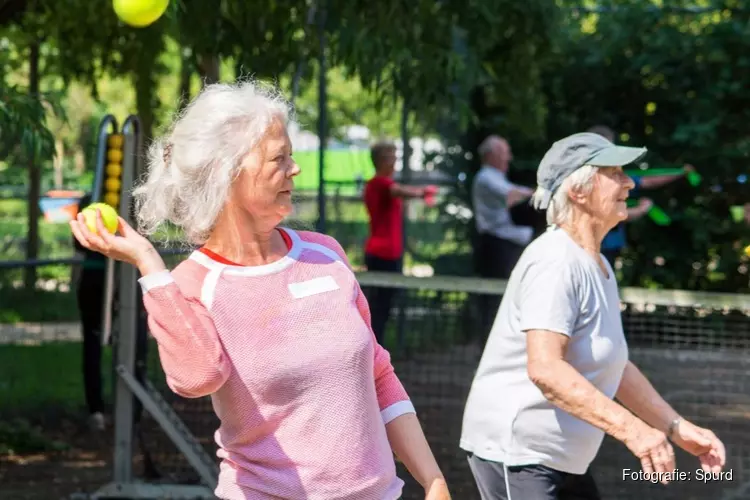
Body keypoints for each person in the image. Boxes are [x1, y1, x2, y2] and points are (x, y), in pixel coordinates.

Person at [70, 80, 450, 500]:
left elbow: (378, 374)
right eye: (279, 158)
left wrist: (433, 481)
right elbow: (197, 378)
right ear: (227, 173)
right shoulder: (192, 284)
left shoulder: (326, 254)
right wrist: (148, 262)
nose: (295, 168)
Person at [460, 132, 726, 500]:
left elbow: (614, 364)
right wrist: (634, 431)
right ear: (578, 192)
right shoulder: (555, 260)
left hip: (563, 461)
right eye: (614, 172)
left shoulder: (597, 263)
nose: (629, 181)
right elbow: (546, 368)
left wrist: (674, 427)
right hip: (519, 455)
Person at [588, 125, 695, 265]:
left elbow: (647, 181)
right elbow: (609, 213)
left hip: (604, 246)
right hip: (593, 246)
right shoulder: (586, 180)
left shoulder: (609, 175)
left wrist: (680, 173)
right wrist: (641, 209)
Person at [363, 140, 433, 344]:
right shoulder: (379, 183)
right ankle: (374, 354)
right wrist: (423, 193)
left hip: (391, 254)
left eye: (394, 157)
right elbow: (398, 190)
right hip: (381, 255)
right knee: (378, 310)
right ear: (380, 160)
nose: (394, 162)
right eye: (390, 157)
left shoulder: (384, 184)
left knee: (384, 310)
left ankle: (377, 353)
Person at [471, 135, 534, 338]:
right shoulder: (486, 177)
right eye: (505, 152)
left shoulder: (496, 176)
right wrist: (537, 194)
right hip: (495, 246)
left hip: (507, 244)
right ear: (492, 155)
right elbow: (512, 194)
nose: (509, 157)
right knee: (494, 299)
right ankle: (488, 347)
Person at [72, 192, 107, 431]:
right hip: (95, 282)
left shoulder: (91, 199)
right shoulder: (89, 201)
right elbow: (78, 243)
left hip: (115, 282)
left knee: (130, 346)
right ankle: (97, 410)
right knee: (92, 346)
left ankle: (132, 412)